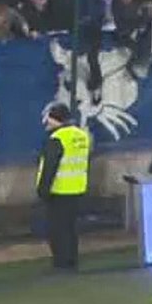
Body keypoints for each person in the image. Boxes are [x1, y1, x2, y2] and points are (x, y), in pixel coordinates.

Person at [36, 103, 91, 271]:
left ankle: (61, 264)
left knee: (57, 231)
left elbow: (50, 167)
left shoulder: (57, 138)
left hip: (59, 191)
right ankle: (72, 261)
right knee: (71, 228)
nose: (47, 123)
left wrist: (42, 190)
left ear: (55, 119)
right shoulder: (82, 135)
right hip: (78, 189)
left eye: (49, 119)